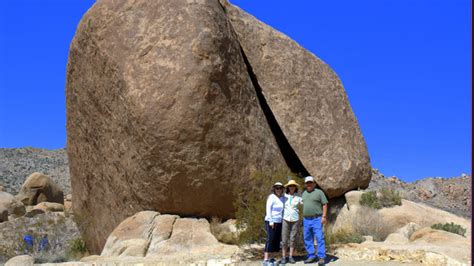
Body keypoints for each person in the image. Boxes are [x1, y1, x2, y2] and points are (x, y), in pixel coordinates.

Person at [301, 176, 328, 265]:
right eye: (307, 183)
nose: (309, 184)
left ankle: (321, 257)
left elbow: (325, 204)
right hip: (306, 219)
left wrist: (324, 216)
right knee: (307, 238)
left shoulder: (319, 192)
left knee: (319, 237)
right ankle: (311, 256)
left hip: (317, 218)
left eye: (310, 183)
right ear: (305, 184)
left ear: (314, 184)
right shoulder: (303, 193)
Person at [280, 179, 303, 264]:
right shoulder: (284, 196)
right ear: (288, 187)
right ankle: (283, 257)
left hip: (295, 219)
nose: (292, 187)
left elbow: (306, 203)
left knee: (292, 239)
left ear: (295, 187)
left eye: (293, 186)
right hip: (285, 219)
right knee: (284, 239)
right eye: (290, 186)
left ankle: (290, 257)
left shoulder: (298, 197)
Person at [263, 182, 285, 265]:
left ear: (282, 189)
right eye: (277, 188)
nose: (278, 190)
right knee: (270, 239)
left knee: (276, 240)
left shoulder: (282, 198)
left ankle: (272, 258)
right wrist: (271, 221)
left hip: (279, 221)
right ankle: (265, 260)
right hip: (271, 221)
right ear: (274, 189)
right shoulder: (271, 197)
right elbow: (268, 209)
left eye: (280, 188)